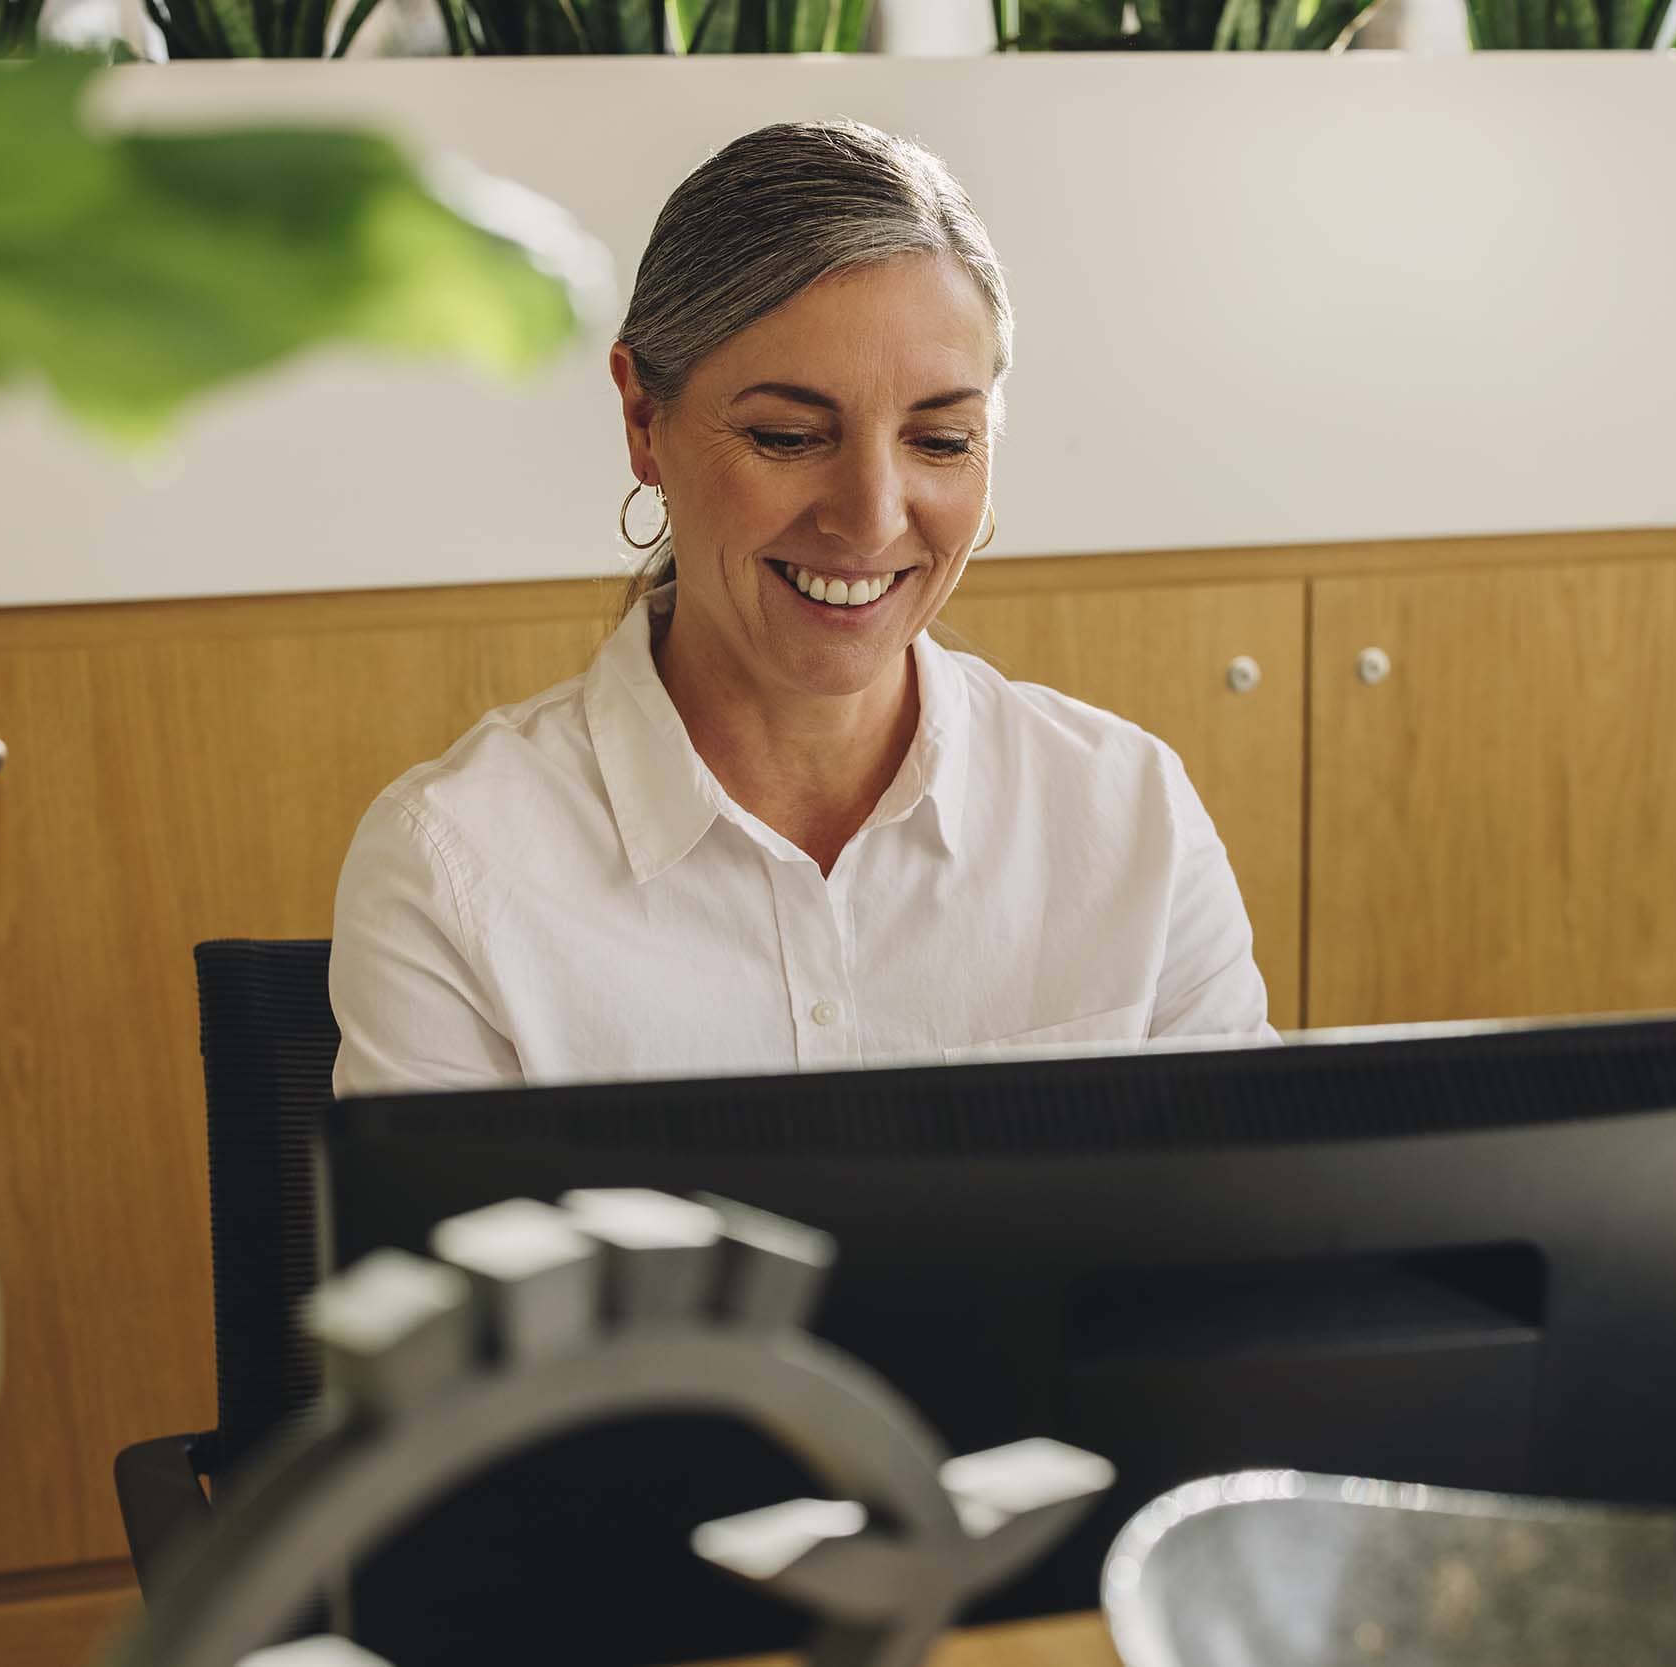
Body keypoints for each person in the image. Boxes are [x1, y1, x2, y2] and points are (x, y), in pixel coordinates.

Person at [331, 117, 1274, 1096]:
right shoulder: (453, 866)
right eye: (787, 435)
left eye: (941, 441)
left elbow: (1249, 1227)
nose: (868, 522)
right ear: (643, 420)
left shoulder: (1130, 817)